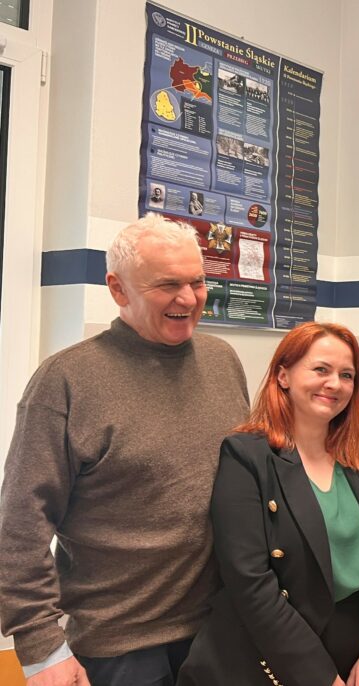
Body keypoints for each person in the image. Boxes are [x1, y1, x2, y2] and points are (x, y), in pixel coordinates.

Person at [0, 214, 250, 686]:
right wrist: (40, 647)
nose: (188, 298)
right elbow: (20, 524)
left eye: (197, 282)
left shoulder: (222, 362)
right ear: (118, 289)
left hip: (219, 630)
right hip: (117, 647)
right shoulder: (66, 381)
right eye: (167, 285)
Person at [178, 322, 359, 686]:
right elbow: (250, 582)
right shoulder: (247, 456)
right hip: (267, 654)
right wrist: (321, 678)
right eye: (321, 370)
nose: (335, 384)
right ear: (283, 375)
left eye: (346, 375)